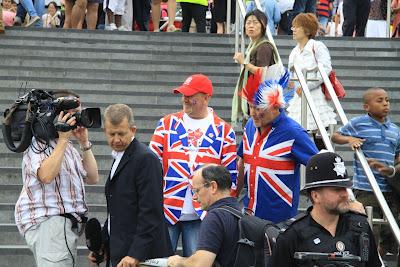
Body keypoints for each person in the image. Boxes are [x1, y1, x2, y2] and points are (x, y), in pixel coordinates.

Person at [150, 74, 237, 257]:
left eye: (191, 95)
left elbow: (230, 179)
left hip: (204, 215)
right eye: (183, 95)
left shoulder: (224, 130)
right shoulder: (166, 124)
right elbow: (151, 167)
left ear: (206, 98)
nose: (185, 99)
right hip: (167, 211)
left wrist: (221, 215)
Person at [14, 89, 99, 267]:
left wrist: (84, 143)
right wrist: (62, 140)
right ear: (56, 114)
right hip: (51, 222)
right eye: (73, 114)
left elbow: (92, 177)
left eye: (79, 113)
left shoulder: (68, 147)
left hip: (62, 227)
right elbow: (45, 175)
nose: (78, 118)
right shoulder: (38, 144)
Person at [89, 104, 173, 266]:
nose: (116, 139)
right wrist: (103, 245)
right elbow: (116, 211)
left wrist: (135, 255)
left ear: (133, 130)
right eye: (111, 134)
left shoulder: (146, 159)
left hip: (143, 258)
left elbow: (151, 213)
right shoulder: (120, 157)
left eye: (121, 133)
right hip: (120, 253)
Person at [269, 151, 382, 267]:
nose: (345, 194)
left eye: (345, 188)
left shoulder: (360, 227)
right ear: (315, 196)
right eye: (337, 189)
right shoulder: (292, 236)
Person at [238, 67, 318, 223]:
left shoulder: (293, 132)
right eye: (251, 106)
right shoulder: (249, 126)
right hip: (248, 214)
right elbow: (242, 161)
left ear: (276, 106)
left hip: (279, 221)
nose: (253, 113)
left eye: (259, 108)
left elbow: (319, 166)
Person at [332, 87, 400, 256]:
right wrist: (350, 138)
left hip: (389, 189)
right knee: (370, 230)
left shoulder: (394, 130)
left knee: (390, 234)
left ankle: (377, 258)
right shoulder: (359, 123)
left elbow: (398, 155)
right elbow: (335, 136)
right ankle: (370, 259)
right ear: (366, 107)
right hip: (366, 188)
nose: (385, 104)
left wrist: (390, 168)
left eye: (387, 100)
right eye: (380, 101)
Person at [167, 164, 240, 267]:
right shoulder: (239, 212)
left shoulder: (214, 218)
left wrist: (179, 261)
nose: (194, 197)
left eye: (196, 190)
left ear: (213, 187)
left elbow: (201, 264)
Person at [286, 13, 337, 150]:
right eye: (293, 27)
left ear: (307, 30)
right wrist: (293, 84)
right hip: (299, 97)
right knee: (297, 135)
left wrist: (306, 86)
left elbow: (325, 68)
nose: (294, 30)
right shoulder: (294, 51)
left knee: (320, 138)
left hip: (315, 96)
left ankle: (328, 168)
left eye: (297, 27)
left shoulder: (317, 46)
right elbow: (291, 73)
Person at [231, 9, 279, 127]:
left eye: (255, 22)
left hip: (261, 101)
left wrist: (244, 62)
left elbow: (262, 72)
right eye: (248, 23)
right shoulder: (253, 47)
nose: (251, 26)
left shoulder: (264, 47)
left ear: (263, 26)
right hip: (254, 98)